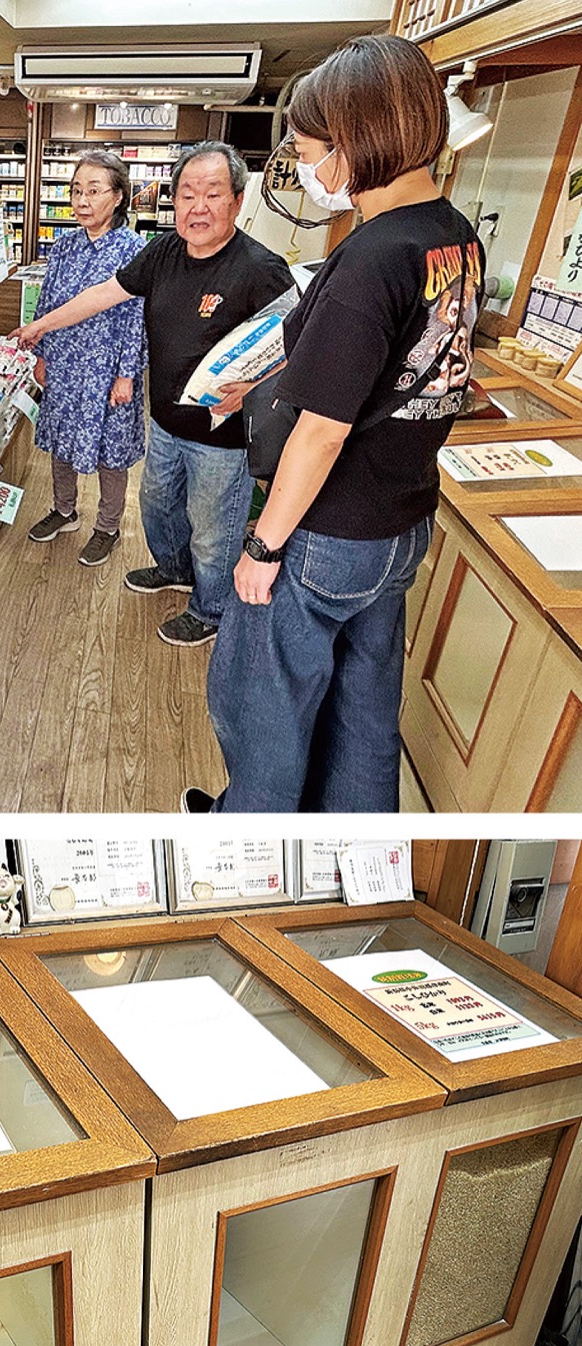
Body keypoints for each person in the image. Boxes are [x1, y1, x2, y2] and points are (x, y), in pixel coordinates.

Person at [188, 32, 483, 813]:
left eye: (310, 148)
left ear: (353, 143)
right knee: (363, 716)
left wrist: (263, 546)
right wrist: (255, 388)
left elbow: (322, 432)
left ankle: (249, 841)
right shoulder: (452, 235)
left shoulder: (371, 256)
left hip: (325, 533)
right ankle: (353, 850)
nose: (306, 167)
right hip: (401, 522)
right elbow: (395, 372)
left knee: (263, 712)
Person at [16, 141, 293, 645]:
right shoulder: (164, 251)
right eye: (187, 194)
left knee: (212, 530)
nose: (198, 207)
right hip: (165, 419)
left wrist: (251, 388)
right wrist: (40, 328)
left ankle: (210, 610)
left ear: (237, 199)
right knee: (158, 506)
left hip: (221, 434)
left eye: (213, 194)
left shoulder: (260, 267)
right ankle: (174, 570)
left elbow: (297, 343)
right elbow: (104, 296)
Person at [25, 151, 147, 567]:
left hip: (107, 367)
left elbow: (138, 317)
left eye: (94, 191)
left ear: (118, 196)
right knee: (61, 437)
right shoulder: (64, 245)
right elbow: (47, 301)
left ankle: (108, 527)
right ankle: (64, 510)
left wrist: (127, 374)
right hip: (64, 361)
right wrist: (41, 353)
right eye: (77, 190)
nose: (82, 200)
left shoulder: (134, 249)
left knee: (110, 449)